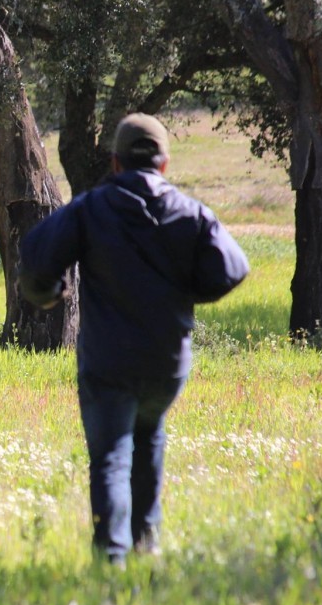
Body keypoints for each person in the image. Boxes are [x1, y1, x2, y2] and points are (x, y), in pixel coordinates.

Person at [19, 113, 249, 567]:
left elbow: (36, 254)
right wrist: (189, 291)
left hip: (108, 361)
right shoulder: (189, 211)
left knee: (111, 457)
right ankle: (146, 543)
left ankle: (112, 559)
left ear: (115, 162)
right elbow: (232, 268)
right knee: (149, 436)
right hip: (166, 362)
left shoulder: (91, 208)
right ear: (164, 164)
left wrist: (50, 293)